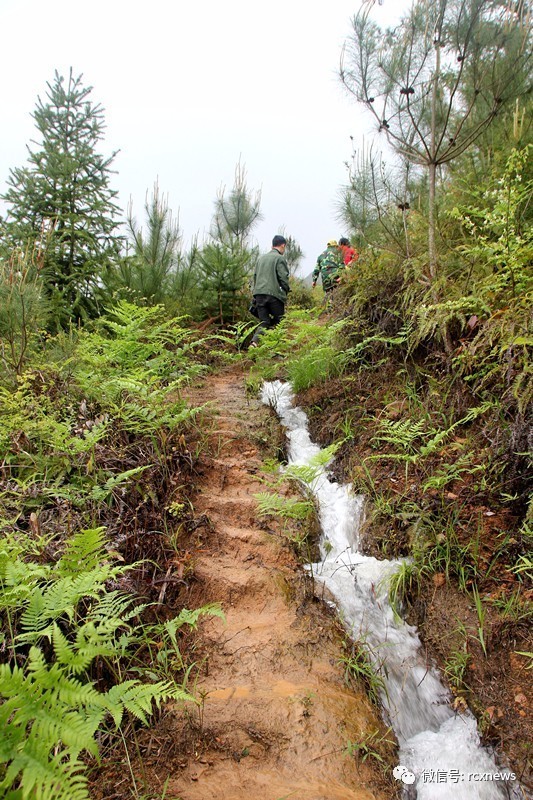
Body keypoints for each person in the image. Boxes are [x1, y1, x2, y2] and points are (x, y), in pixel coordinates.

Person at [249, 234, 290, 347]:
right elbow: (283, 278)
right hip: (274, 295)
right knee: (279, 323)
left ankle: (254, 343)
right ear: (282, 245)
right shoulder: (279, 258)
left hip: (259, 295)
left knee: (264, 322)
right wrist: (286, 291)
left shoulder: (261, 258)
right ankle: (276, 351)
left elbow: (255, 277)